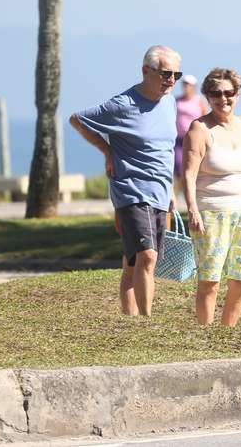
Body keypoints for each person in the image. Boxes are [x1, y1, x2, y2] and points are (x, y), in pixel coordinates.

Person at [70, 45, 181, 317]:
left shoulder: (169, 102)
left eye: (176, 75)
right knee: (148, 257)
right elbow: (77, 119)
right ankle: (147, 321)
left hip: (160, 190)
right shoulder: (122, 105)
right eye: (166, 73)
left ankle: (129, 319)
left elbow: (165, 149)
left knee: (134, 261)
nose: (171, 81)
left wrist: (171, 190)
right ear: (146, 71)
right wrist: (107, 150)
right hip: (131, 190)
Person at [182, 68, 241, 327]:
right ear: (207, 96)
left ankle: (226, 330)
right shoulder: (199, 129)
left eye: (229, 93)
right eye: (216, 94)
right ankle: (206, 331)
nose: (223, 99)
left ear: (237, 94)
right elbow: (189, 175)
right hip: (211, 212)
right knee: (210, 279)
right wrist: (193, 210)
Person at [174, 74, 207, 198]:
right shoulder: (177, 101)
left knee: (195, 165)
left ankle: (194, 194)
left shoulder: (199, 101)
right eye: (184, 84)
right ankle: (181, 194)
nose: (186, 87)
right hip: (179, 139)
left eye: (188, 85)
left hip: (194, 138)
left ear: (193, 87)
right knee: (178, 165)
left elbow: (204, 117)